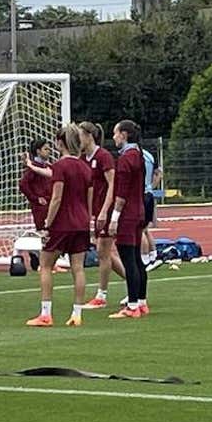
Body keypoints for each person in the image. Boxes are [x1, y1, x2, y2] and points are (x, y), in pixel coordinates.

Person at [26, 125, 92, 327]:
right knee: (78, 268)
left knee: (45, 266)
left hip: (62, 223)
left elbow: (56, 198)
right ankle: (77, 313)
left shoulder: (60, 167)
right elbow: (88, 200)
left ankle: (46, 313)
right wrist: (87, 221)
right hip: (81, 223)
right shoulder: (85, 167)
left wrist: (47, 224)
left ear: (60, 143)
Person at [80, 122, 125, 308]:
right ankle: (134, 282)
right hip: (95, 210)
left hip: (106, 209)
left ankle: (102, 295)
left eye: (80, 135)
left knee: (102, 252)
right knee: (104, 252)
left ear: (89, 136)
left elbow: (112, 185)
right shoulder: (84, 158)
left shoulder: (104, 156)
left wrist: (106, 210)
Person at [109, 120, 149, 319]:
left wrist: (114, 217)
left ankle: (132, 305)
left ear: (124, 135)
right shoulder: (138, 155)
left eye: (116, 134)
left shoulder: (126, 158)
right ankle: (141, 301)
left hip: (128, 214)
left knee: (129, 259)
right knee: (137, 259)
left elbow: (122, 192)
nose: (114, 137)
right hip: (139, 210)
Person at [19, 138, 53, 231]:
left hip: (50, 205)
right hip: (41, 209)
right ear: (38, 151)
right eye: (46, 149)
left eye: (49, 149)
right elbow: (23, 184)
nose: (49, 151)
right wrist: (35, 198)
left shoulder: (47, 166)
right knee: (44, 234)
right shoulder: (33, 168)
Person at [141, 144, 161, 268]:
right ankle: (153, 254)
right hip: (149, 193)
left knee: (139, 230)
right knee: (145, 229)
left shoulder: (134, 155)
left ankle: (145, 260)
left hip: (141, 194)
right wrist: (151, 186)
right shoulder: (149, 155)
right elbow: (159, 173)